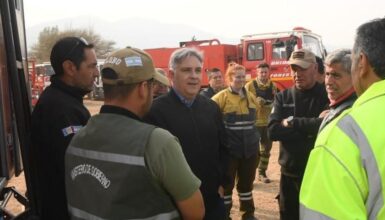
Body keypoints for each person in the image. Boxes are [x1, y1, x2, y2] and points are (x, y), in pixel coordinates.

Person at [65, 47, 205, 220]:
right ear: (143, 88)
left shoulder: (78, 138)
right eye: (153, 85)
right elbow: (195, 212)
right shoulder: (157, 141)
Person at [300, 16, 385, 219]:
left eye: (338, 75)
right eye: (328, 75)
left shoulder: (347, 131)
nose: (329, 81)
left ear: (362, 63)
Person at [145, 47, 228, 220]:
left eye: (198, 70)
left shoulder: (211, 108)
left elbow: (224, 148)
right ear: (171, 74)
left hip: (213, 201)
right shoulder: (154, 111)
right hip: (175, 207)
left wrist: (223, 184)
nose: (194, 76)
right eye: (186, 70)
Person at [29, 37, 99, 219]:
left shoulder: (64, 101)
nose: (97, 73)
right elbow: (80, 172)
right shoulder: (61, 109)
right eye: (91, 66)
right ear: (70, 68)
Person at [267, 48, 329, 220]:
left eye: (302, 68)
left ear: (315, 68)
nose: (297, 74)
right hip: (288, 176)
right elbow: (272, 131)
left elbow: (325, 128)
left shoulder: (326, 96)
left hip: (317, 175)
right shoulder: (283, 97)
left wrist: (292, 122)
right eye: (294, 69)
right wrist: (310, 128)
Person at [212, 63, 260, 220]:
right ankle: (224, 216)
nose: (241, 79)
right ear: (229, 78)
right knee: (226, 187)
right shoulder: (219, 99)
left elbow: (256, 120)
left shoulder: (252, 98)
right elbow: (211, 123)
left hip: (250, 152)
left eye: (243, 76)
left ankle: (248, 215)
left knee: (246, 187)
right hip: (229, 153)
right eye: (237, 76)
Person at [245, 62, 277, 184]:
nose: (263, 75)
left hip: (268, 123)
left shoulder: (273, 86)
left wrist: (269, 104)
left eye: (265, 72)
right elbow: (244, 102)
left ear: (269, 73)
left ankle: (262, 173)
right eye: (261, 72)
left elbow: (277, 102)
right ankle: (249, 175)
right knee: (253, 150)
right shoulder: (249, 86)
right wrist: (255, 103)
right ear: (257, 73)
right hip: (254, 123)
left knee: (266, 150)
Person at [318, 49, 357, 131]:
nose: (329, 82)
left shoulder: (352, 112)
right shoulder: (337, 108)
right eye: (327, 74)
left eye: (336, 76)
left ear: (353, 77)